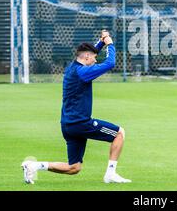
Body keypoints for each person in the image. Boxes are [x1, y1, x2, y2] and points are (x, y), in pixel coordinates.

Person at [21, 30, 131, 184]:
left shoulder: (72, 67)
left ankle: (33, 166)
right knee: (119, 133)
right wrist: (110, 43)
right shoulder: (83, 72)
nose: (95, 60)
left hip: (67, 125)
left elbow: (92, 52)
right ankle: (110, 174)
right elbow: (110, 63)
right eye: (93, 57)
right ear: (86, 57)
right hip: (80, 123)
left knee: (74, 168)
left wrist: (101, 42)